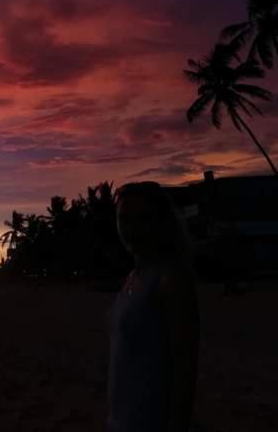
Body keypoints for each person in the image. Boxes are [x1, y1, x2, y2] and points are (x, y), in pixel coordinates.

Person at [108, 181, 199, 432]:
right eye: (124, 219)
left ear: (162, 223)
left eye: (143, 219)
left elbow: (185, 370)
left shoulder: (171, 279)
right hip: (121, 418)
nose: (131, 229)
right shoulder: (133, 276)